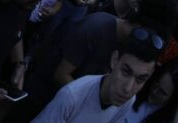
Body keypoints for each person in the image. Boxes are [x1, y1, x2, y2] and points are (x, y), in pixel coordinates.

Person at [33, 27, 163, 122]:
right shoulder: (71, 97)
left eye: (140, 79)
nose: (128, 89)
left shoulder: (128, 100)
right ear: (114, 60)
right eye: (125, 72)